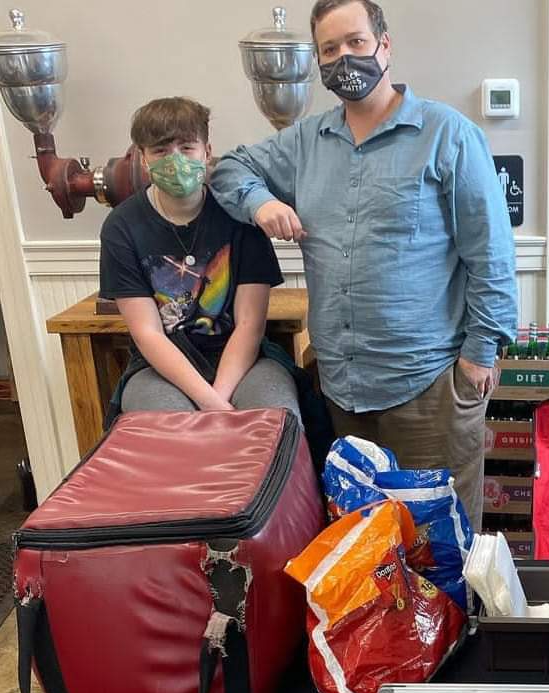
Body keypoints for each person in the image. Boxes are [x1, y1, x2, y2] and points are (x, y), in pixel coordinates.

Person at [209, 0, 517, 529]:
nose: (344, 58)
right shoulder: (305, 141)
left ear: (385, 45)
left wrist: (478, 358)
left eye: (356, 42)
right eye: (329, 49)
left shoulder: (448, 135)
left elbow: (491, 253)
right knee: (363, 543)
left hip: (429, 385)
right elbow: (228, 169)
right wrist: (262, 203)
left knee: (439, 545)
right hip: (343, 389)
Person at [99, 96, 302, 423]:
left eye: (186, 148)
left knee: (276, 421)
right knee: (169, 429)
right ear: (143, 160)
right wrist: (212, 406)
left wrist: (217, 401)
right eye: (161, 151)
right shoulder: (121, 227)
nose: (175, 161)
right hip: (161, 367)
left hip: (243, 358)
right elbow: (148, 334)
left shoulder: (240, 217)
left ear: (207, 152)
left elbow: (250, 324)